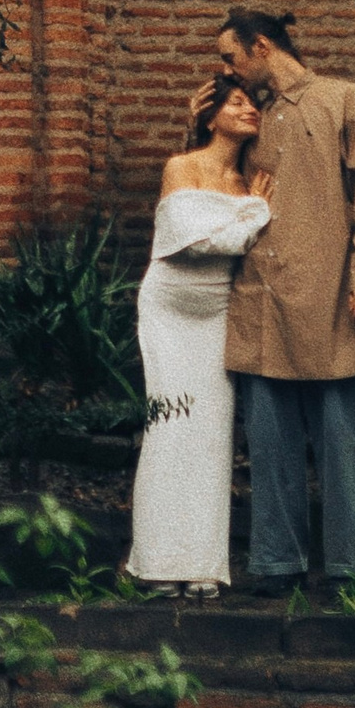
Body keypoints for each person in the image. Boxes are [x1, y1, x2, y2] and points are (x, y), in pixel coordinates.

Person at [216, 5, 355, 597]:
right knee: (269, 444)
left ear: (262, 46)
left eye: (231, 57)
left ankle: (348, 569)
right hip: (260, 302)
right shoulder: (251, 117)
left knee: (343, 444)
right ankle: (275, 563)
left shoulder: (343, 99)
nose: (229, 70)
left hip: (335, 297)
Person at [125, 78, 272, 590]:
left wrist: (248, 215)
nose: (249, 109)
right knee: (169, 428)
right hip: (170, 311)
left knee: (211, 436)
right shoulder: (180, 167)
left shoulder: (247, 181)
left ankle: (203, 565)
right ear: (211, 118)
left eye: (254, 102)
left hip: (218, 314)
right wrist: (254, 216)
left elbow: (233, 246)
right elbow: (195, 243)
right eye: (237, 102)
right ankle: (161, 564)